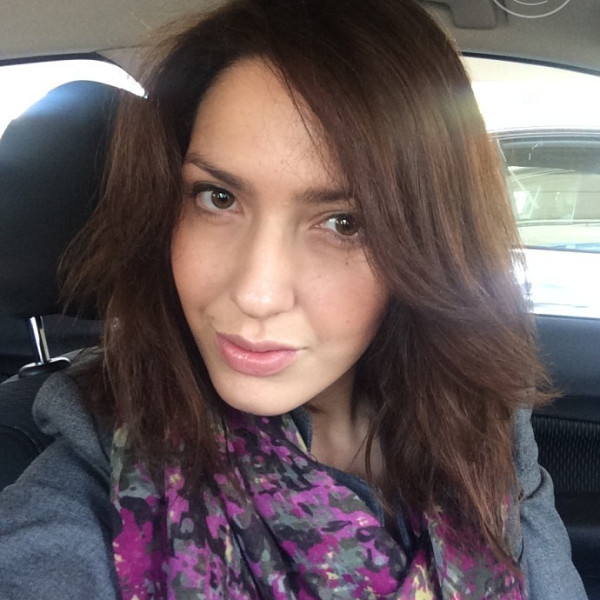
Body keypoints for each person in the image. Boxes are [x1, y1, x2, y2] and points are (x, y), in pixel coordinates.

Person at [0, 0, 587, 598]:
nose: (256, 294)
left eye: (343, 222)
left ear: (427, 242)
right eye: (218, 197)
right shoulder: (98, 486)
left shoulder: (479, 423)